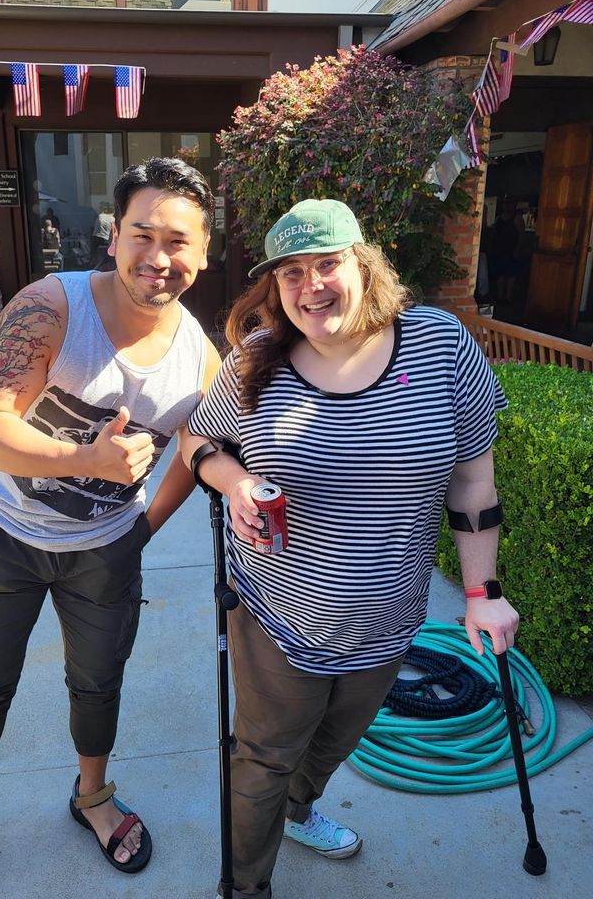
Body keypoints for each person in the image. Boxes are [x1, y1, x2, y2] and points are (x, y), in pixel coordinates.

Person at [182, 199, 519, 899]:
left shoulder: (440, 346)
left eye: (327, 264)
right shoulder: (255, 361)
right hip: (279, 615)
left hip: (389, 617)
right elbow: (198, 440)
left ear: (364, 264)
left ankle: (301, 812)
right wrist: (236, 480)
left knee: (334, 743)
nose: (312, 287)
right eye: (291, 273)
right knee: (264, 760)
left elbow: (474, 478)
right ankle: (247, 885)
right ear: (274, 287)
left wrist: (483, 595)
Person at [0, 157, 222, 899]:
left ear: (204, 254)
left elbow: (199, 446)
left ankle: (92, 796)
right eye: (142, 234)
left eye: (179, 242)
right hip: (4, 536)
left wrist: (146, 524)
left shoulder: (199, 359)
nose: (159, 256)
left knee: (98, 679)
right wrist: (88, 457)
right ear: (114, 238)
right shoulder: (51, 306)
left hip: (105, 550)